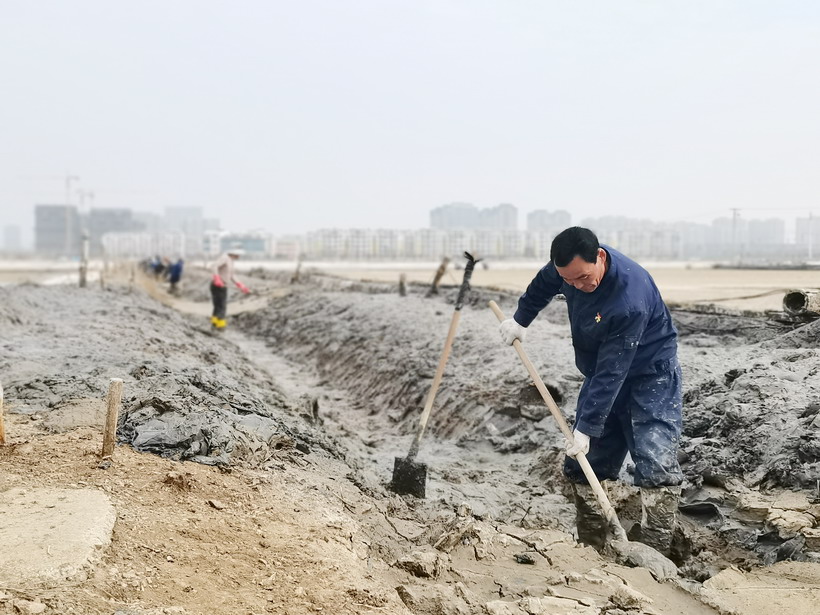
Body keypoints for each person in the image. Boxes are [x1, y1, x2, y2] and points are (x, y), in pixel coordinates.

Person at [499, 227, 682, 555]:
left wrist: (586, 426)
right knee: (584, 462)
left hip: (649, 375)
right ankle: (591, 547)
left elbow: (614, 371)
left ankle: (654, 553)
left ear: (599, 256)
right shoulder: (568, 269)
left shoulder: (628, 300)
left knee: (656, 463)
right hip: (602, 370)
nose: (578, 286)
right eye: (568, 281)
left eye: (584, 278)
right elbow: (544, 284)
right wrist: (521, 319)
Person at [210, 248, 250, 330]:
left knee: (219, 306)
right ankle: (220, 326)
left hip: (223, 286)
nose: (239, 256)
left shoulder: (231, 261)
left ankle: (214, 325)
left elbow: (232, 275)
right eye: (238, 254)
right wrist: (217, 278)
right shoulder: (225, 258)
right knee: (221, 306)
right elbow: (214, 266)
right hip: (217, 285)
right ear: (233, 254)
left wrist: (240, 285)